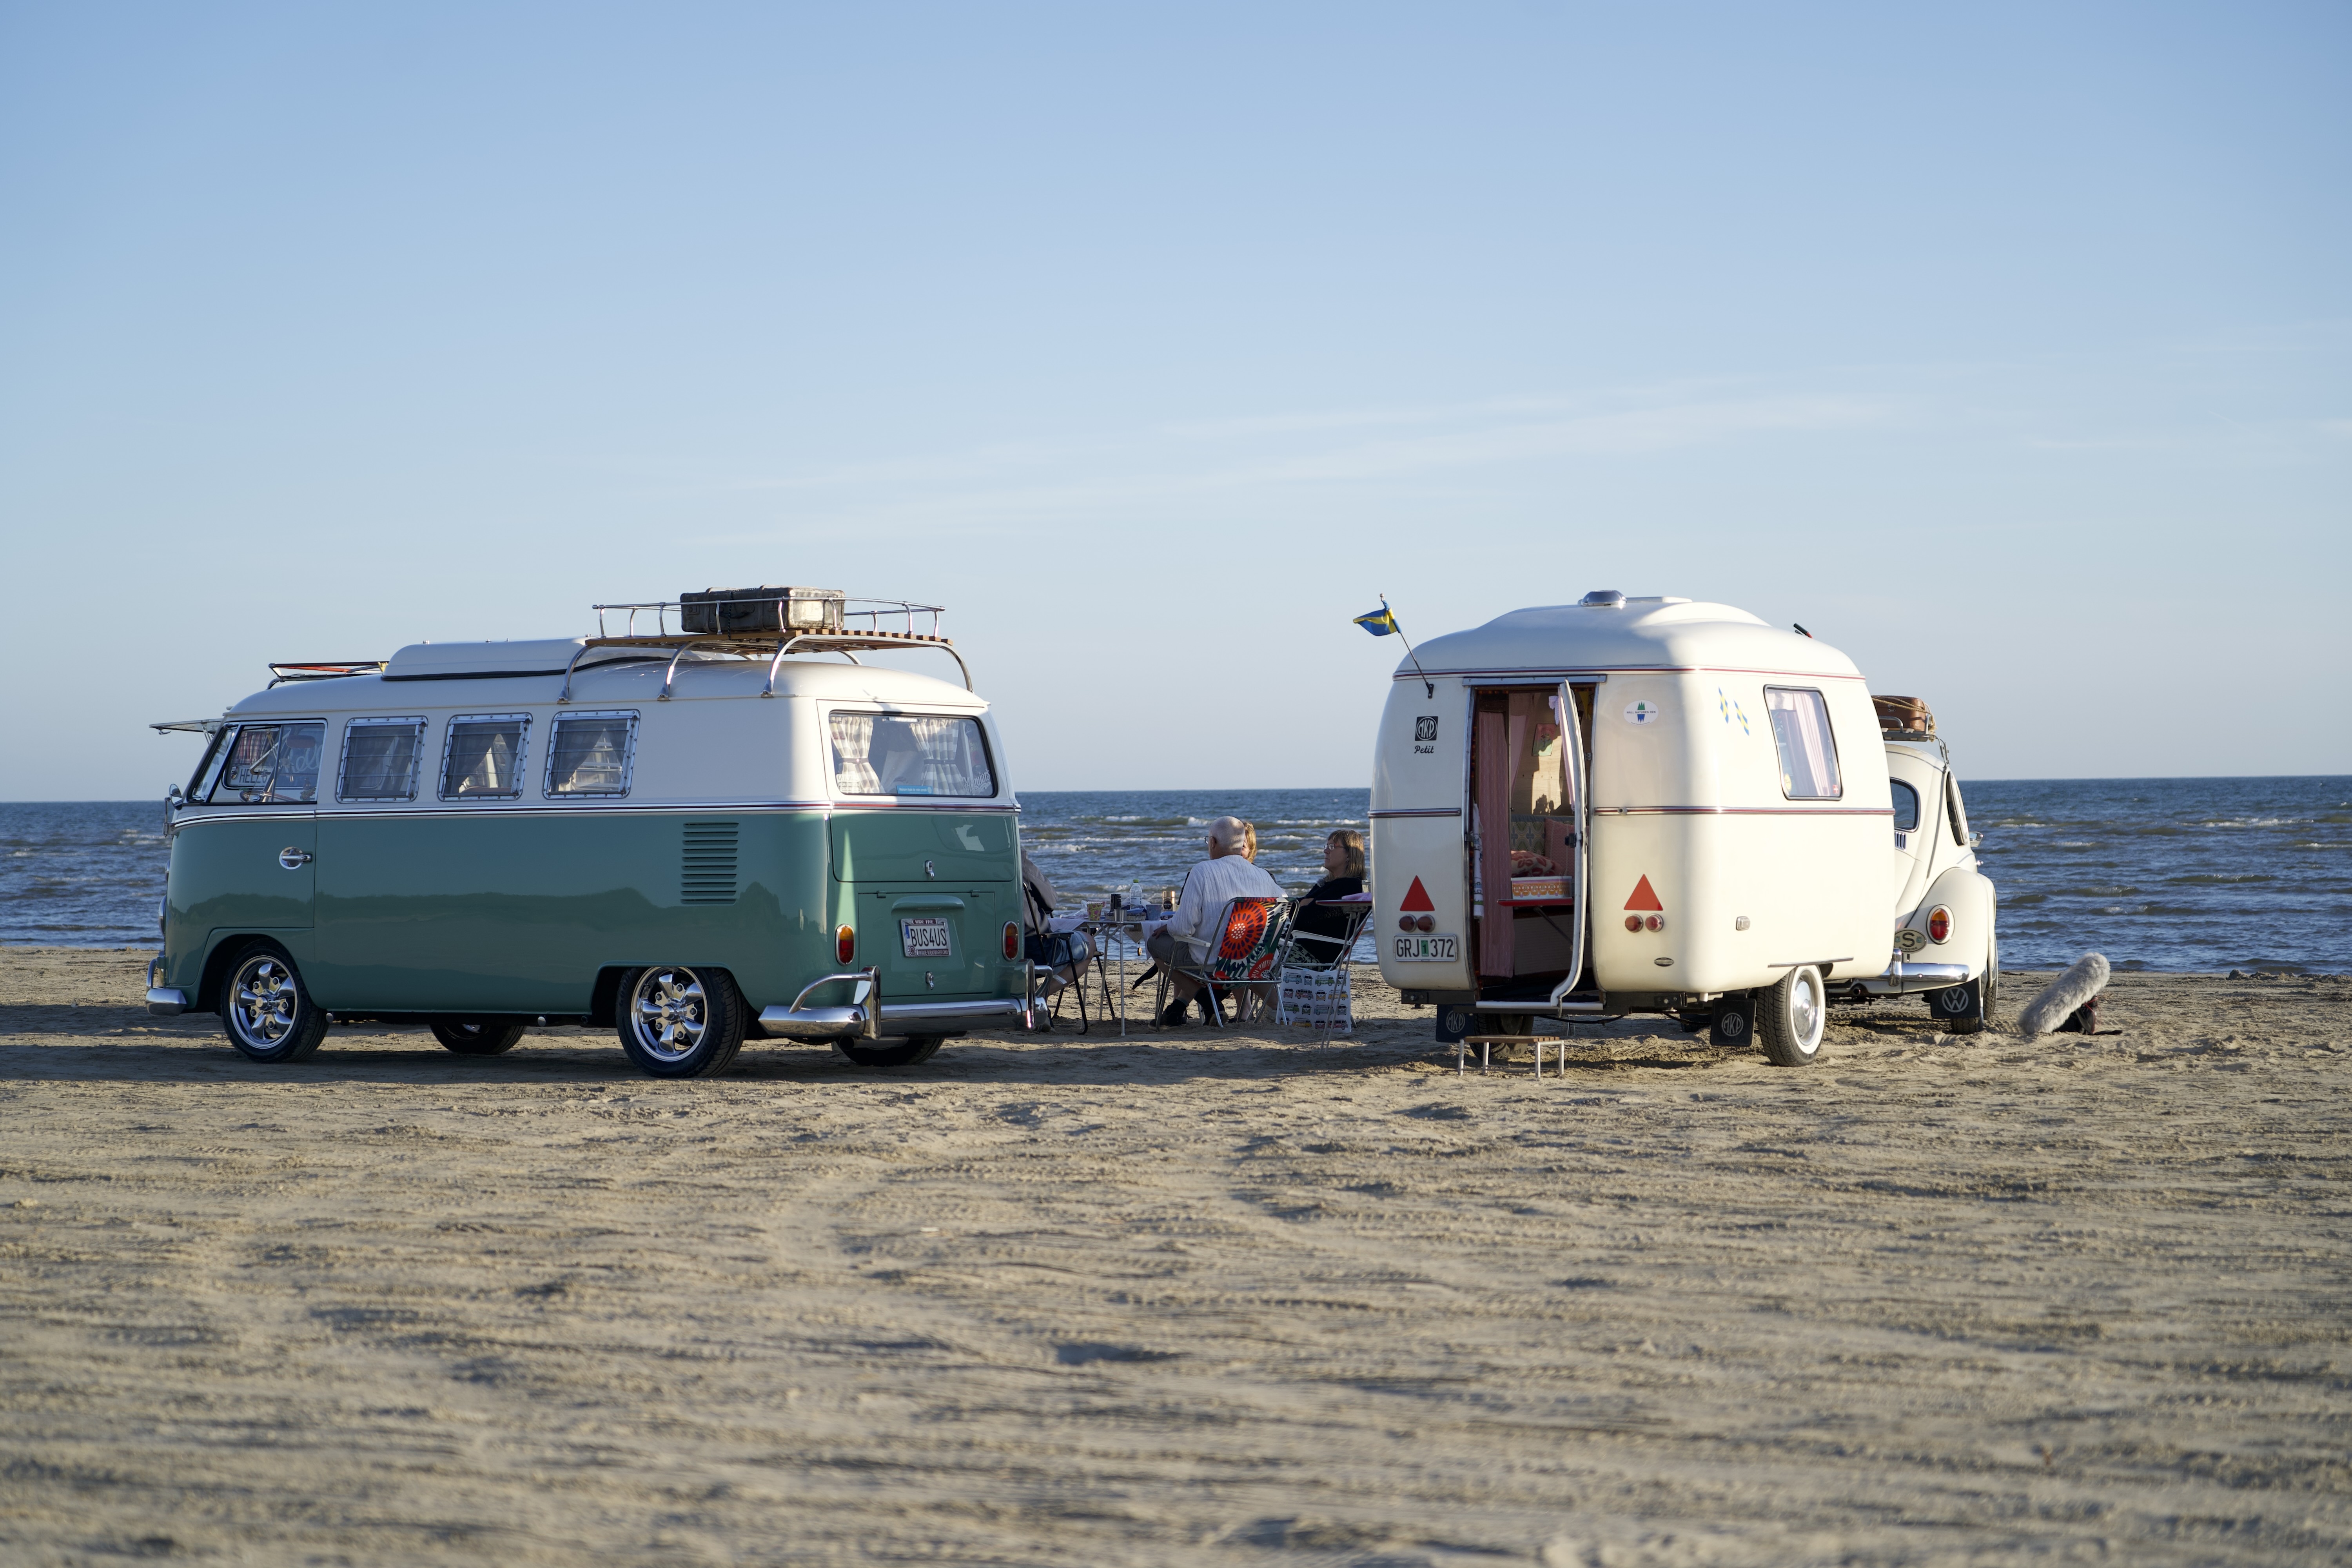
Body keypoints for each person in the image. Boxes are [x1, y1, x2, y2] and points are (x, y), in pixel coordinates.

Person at [1150, 815, 1281, 1026]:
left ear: (1212, 842)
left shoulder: (1202, 871)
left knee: (1154, 943)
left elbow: (1183, 928)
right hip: (1253, 961)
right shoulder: (1264, 876)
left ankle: (1207, 1000)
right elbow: (1283, 913)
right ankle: (1276, 1009)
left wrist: (1169, 927)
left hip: (1213, 962)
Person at [1289, 829, 1366, 967]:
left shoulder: (1349, 887)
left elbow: (1300, 920)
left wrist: (1303, 904)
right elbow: (1297, 909)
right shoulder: (1326, 884)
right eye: (1327, 846)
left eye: (1332, 847)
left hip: (1312, 957)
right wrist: (1304, 904)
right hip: (1295, 947)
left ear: (1349, 855)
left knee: (1252, 952)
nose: (1326, 851)